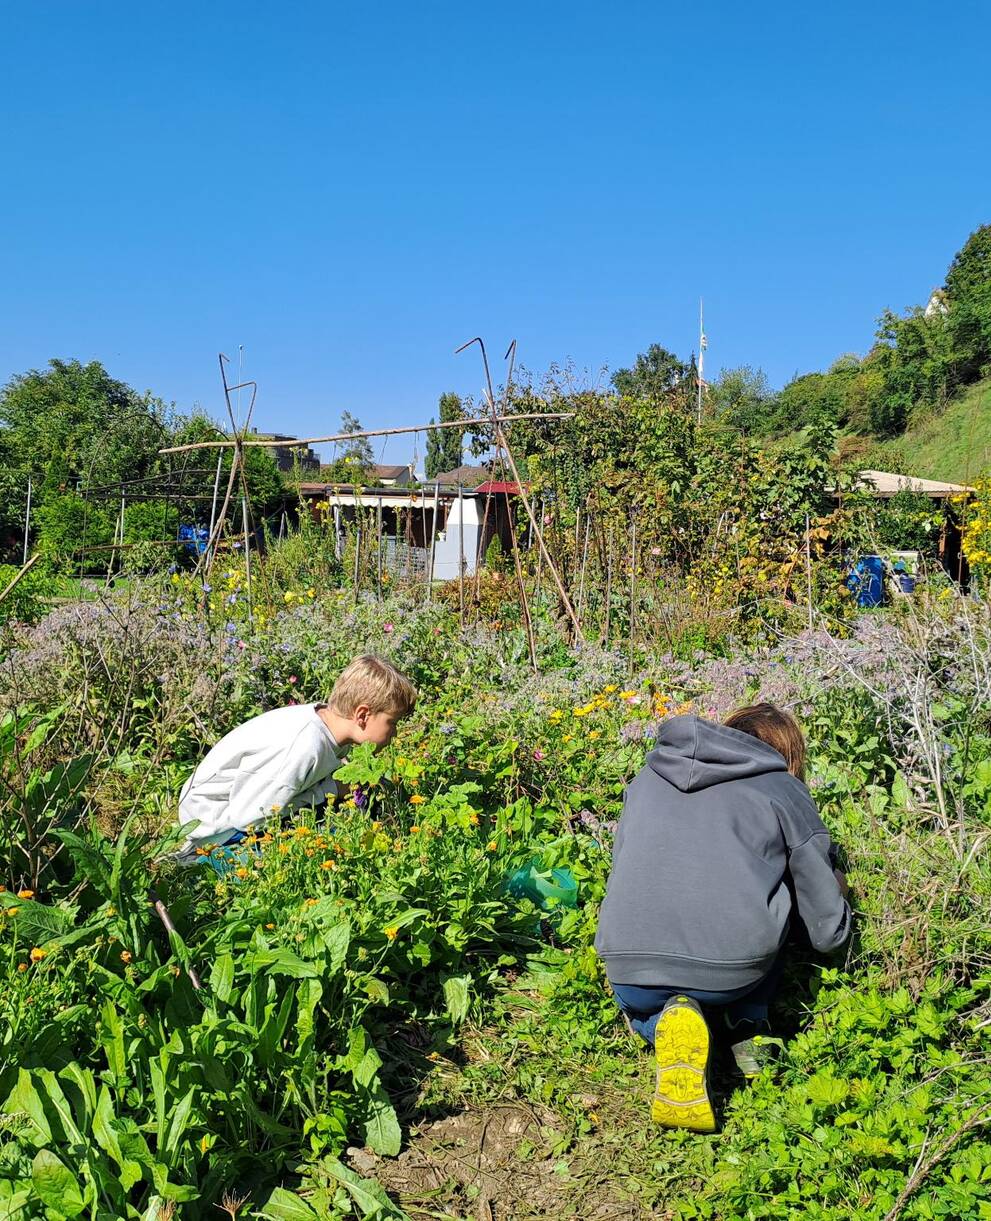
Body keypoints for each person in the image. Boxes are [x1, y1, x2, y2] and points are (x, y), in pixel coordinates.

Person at [594, 703, 850, 1133]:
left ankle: (659, 1024)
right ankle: (749, 1029)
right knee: (776, 892)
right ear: (788, 755)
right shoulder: (781, 788)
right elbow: (826, 929)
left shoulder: (647, 778)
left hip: (628, 966)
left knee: (645, 1004)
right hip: (732, 974)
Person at [175, 654, 416, 864]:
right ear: (362, 715)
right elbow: (250, 817)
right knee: (329, 841)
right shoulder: (305, 746)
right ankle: (202, 864)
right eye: (392, 723)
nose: (394, 733)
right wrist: (332, 789)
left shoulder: (330, 725)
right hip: (218, 832)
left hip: (243, 811)